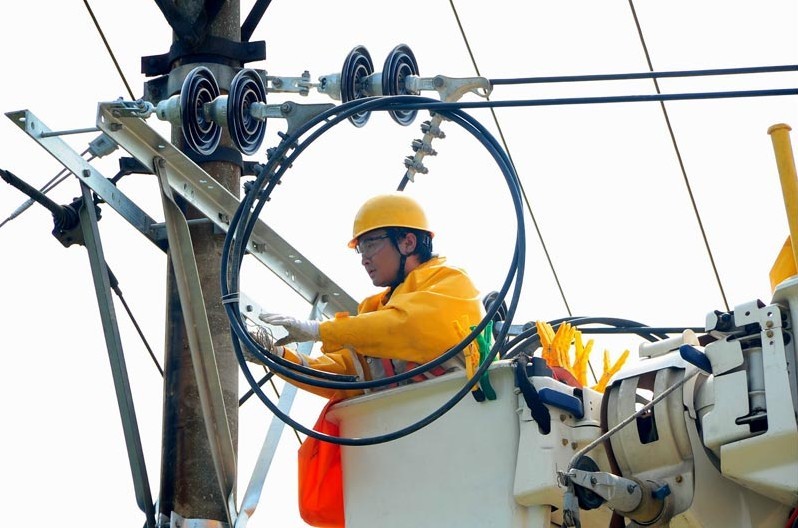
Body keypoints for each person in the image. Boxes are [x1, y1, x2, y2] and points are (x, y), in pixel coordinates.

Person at [255, 192, 485, 400]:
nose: (364, 259)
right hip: (408, 426)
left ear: (408, 243)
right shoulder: (375, 312)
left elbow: (406, 325)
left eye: (371, 245)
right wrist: (276, 356)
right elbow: (342, 377)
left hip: (464, 418)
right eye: (361, 250)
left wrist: (319, 330)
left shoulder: (452, 284)